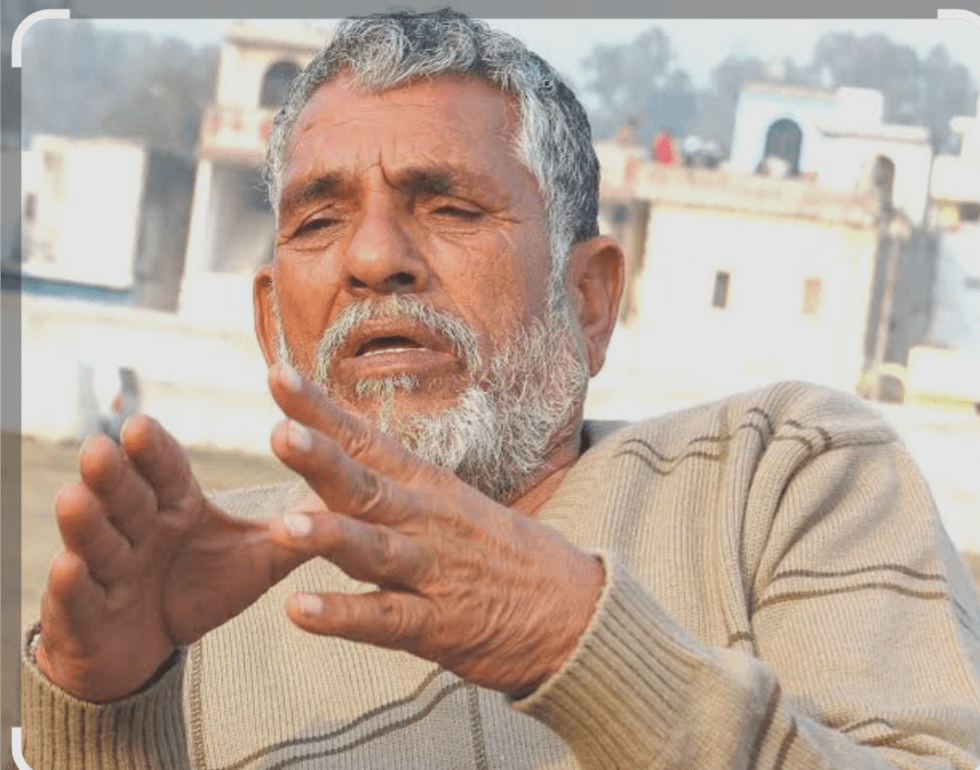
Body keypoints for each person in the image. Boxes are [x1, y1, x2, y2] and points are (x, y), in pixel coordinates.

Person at [21, 10, 980, 770]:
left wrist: (575, 642)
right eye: (319, 221)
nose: (373, 257)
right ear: (272, 322)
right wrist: (103, 714)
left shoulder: (783, 473)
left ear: (588, 298)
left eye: (450, 207)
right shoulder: (195, 601)